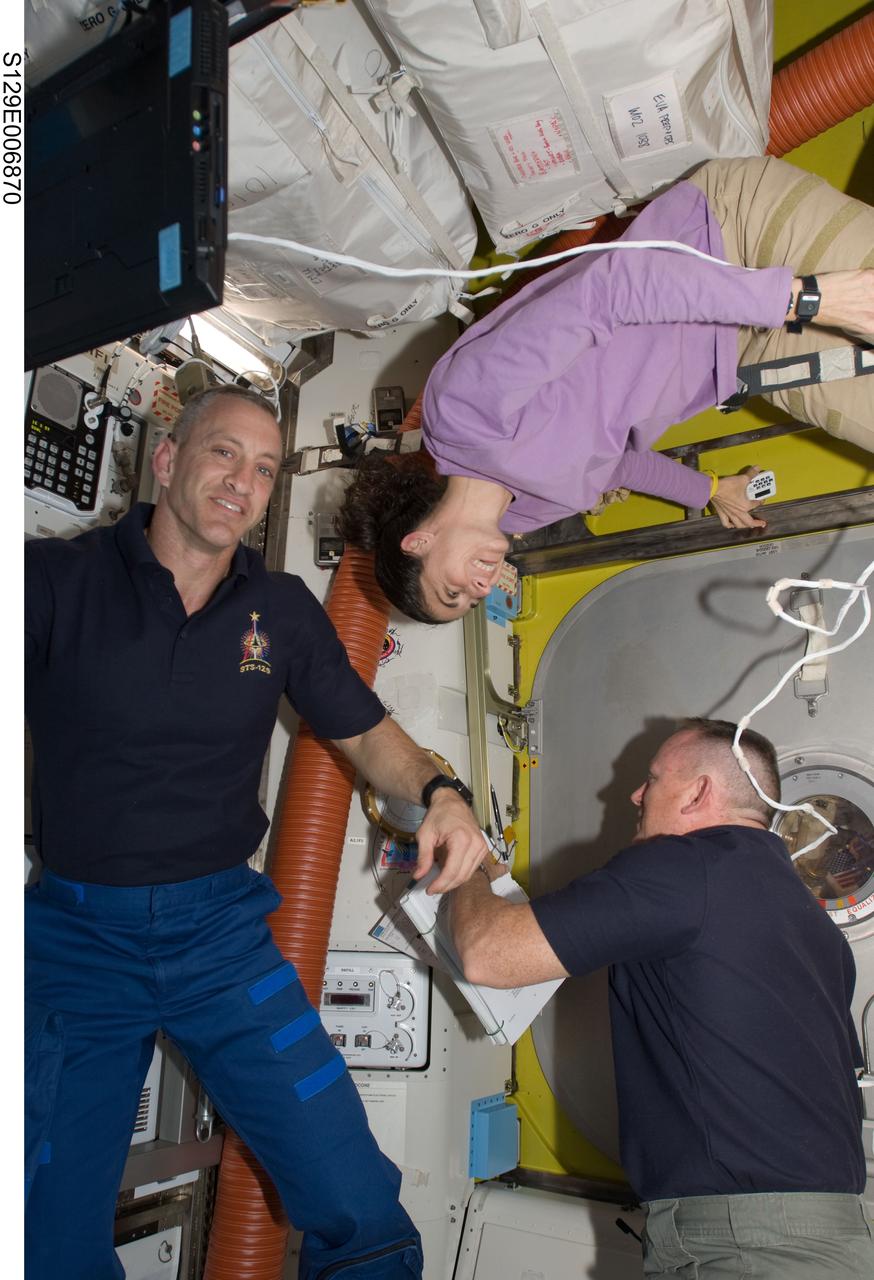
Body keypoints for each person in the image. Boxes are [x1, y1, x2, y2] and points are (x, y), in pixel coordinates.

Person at [24, 384, 489, 1280]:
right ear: (168, 460)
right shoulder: (53, 579)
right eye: (225, 452)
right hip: (77, 947)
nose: (244, 480)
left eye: (267, 468)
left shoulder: (278, 608)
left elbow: (364, 731)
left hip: (220, 941)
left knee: (356, 1197)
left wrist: (442, 791)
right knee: (45, 1231)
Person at [338, 156, 874, 623]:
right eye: (470, 603)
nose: (479, 589)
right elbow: (617, 466)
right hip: (735, 348)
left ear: (420, 542)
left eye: (451, 591)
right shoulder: (523, 514)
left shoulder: (463, 413)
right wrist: (710, 490)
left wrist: (804, 300)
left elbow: (611, 290)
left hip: (724, 243)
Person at [448, 718, 874, 1279]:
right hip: (832, 1236)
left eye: (652, 779)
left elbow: (486, 953)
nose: (635, 795)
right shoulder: (810, 922)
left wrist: (465, 864)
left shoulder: (685, 865)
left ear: (698, 792)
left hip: (746, 1246)